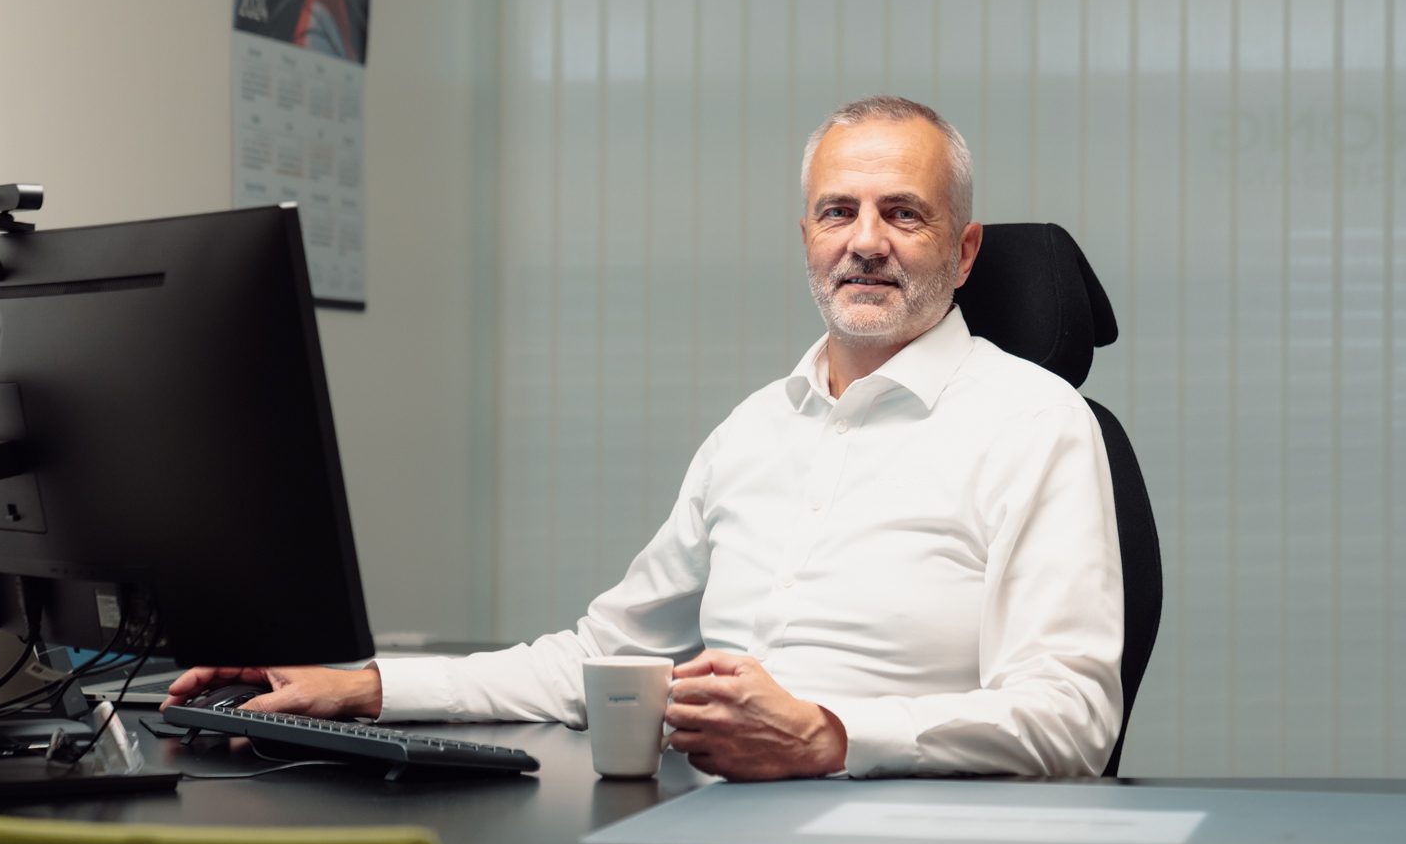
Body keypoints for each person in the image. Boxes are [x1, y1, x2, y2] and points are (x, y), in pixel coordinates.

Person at [166, 96, 1124, 780]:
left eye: (902, 213)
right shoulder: (751, 432)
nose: (864, 241)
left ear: (961, 252)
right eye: (838, 210)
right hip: (715, 840)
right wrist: (362, 689)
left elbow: (1071, 720)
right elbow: (601, 657)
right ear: (805, 236)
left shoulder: (1034, 424)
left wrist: (828, 734)